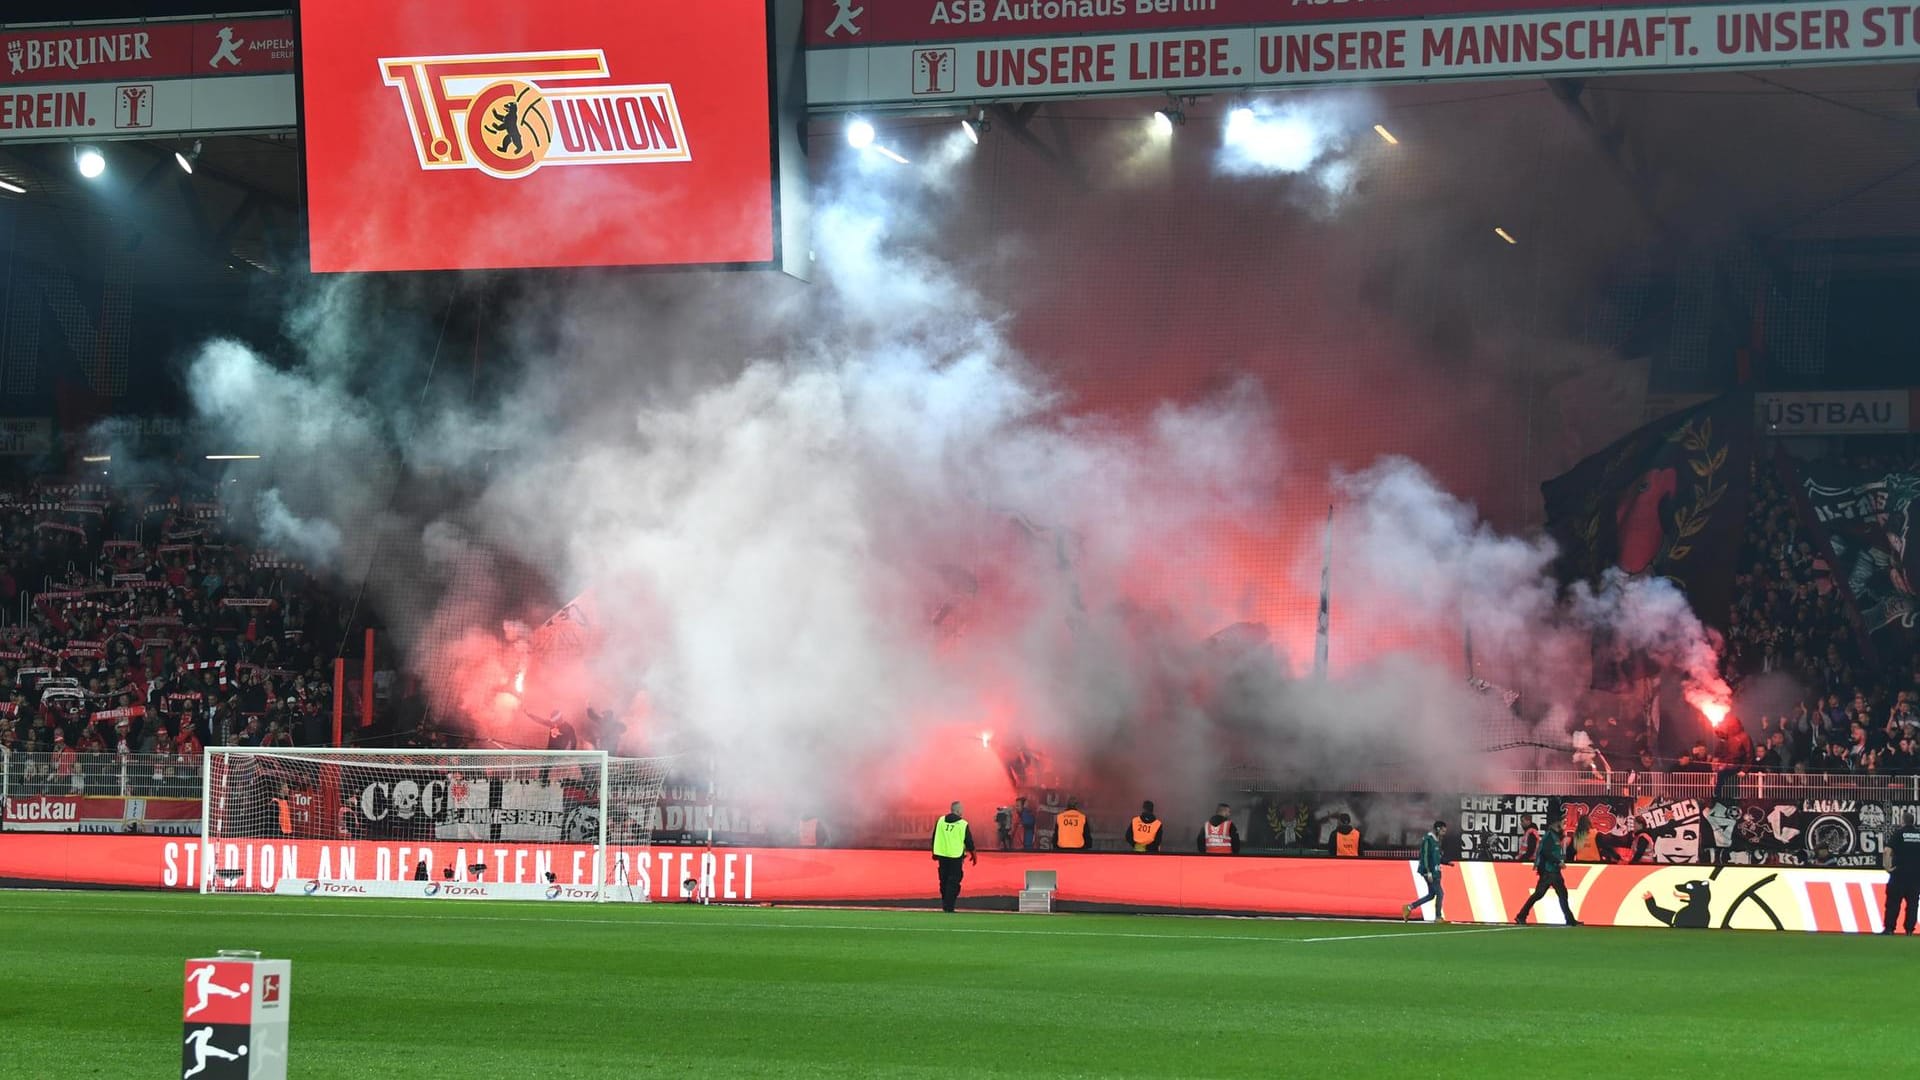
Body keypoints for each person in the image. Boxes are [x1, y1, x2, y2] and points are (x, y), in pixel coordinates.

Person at [1515, 823, 1580, 926]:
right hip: (1549, 871)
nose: (1562, 828)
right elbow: (1546, 852)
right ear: (1554, 825)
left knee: (1552, 894)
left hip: (1552, 871)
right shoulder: (1550, 837)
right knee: (1548, 894)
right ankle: (1521, 915)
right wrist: (1557, 862)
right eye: (1560, 825)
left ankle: (1521, 915)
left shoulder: (1554, 837)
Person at [931, 800, 977, 913]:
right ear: (957, 810)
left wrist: (934, 852)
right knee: (954, 881)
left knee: (943, 880)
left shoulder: (940, 821)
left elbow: (934, 837)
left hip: (942, 855)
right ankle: (949, 906)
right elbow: (969, 841)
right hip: (955, 856)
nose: (962, 812)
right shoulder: (962, 824)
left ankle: (945, 903)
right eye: (961, 809)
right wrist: (974, 854)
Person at [1880, 809, 1920, 935]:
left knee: (1893, 903)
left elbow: (1887, 851)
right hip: (1916, 876)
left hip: (1899, 875)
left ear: (1902, 821)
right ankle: (1909, 930)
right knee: (1913, 904)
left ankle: (1890, 929)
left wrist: (1887, 867)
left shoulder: (1899, 833)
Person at [1403, 820, 1448, 922]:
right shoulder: (1428, 840)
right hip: (1429, 872)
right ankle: (1438, 916)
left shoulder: (1437, 840)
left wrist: (1446, 862)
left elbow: (1437, 857)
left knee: (1431, 895)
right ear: (1438, 829)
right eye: (1443, 831)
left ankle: (1409, 907)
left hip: (1436, 871)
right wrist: (1428, 872)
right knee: (1440, 893)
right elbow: (1425, 856)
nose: (1444, 834)